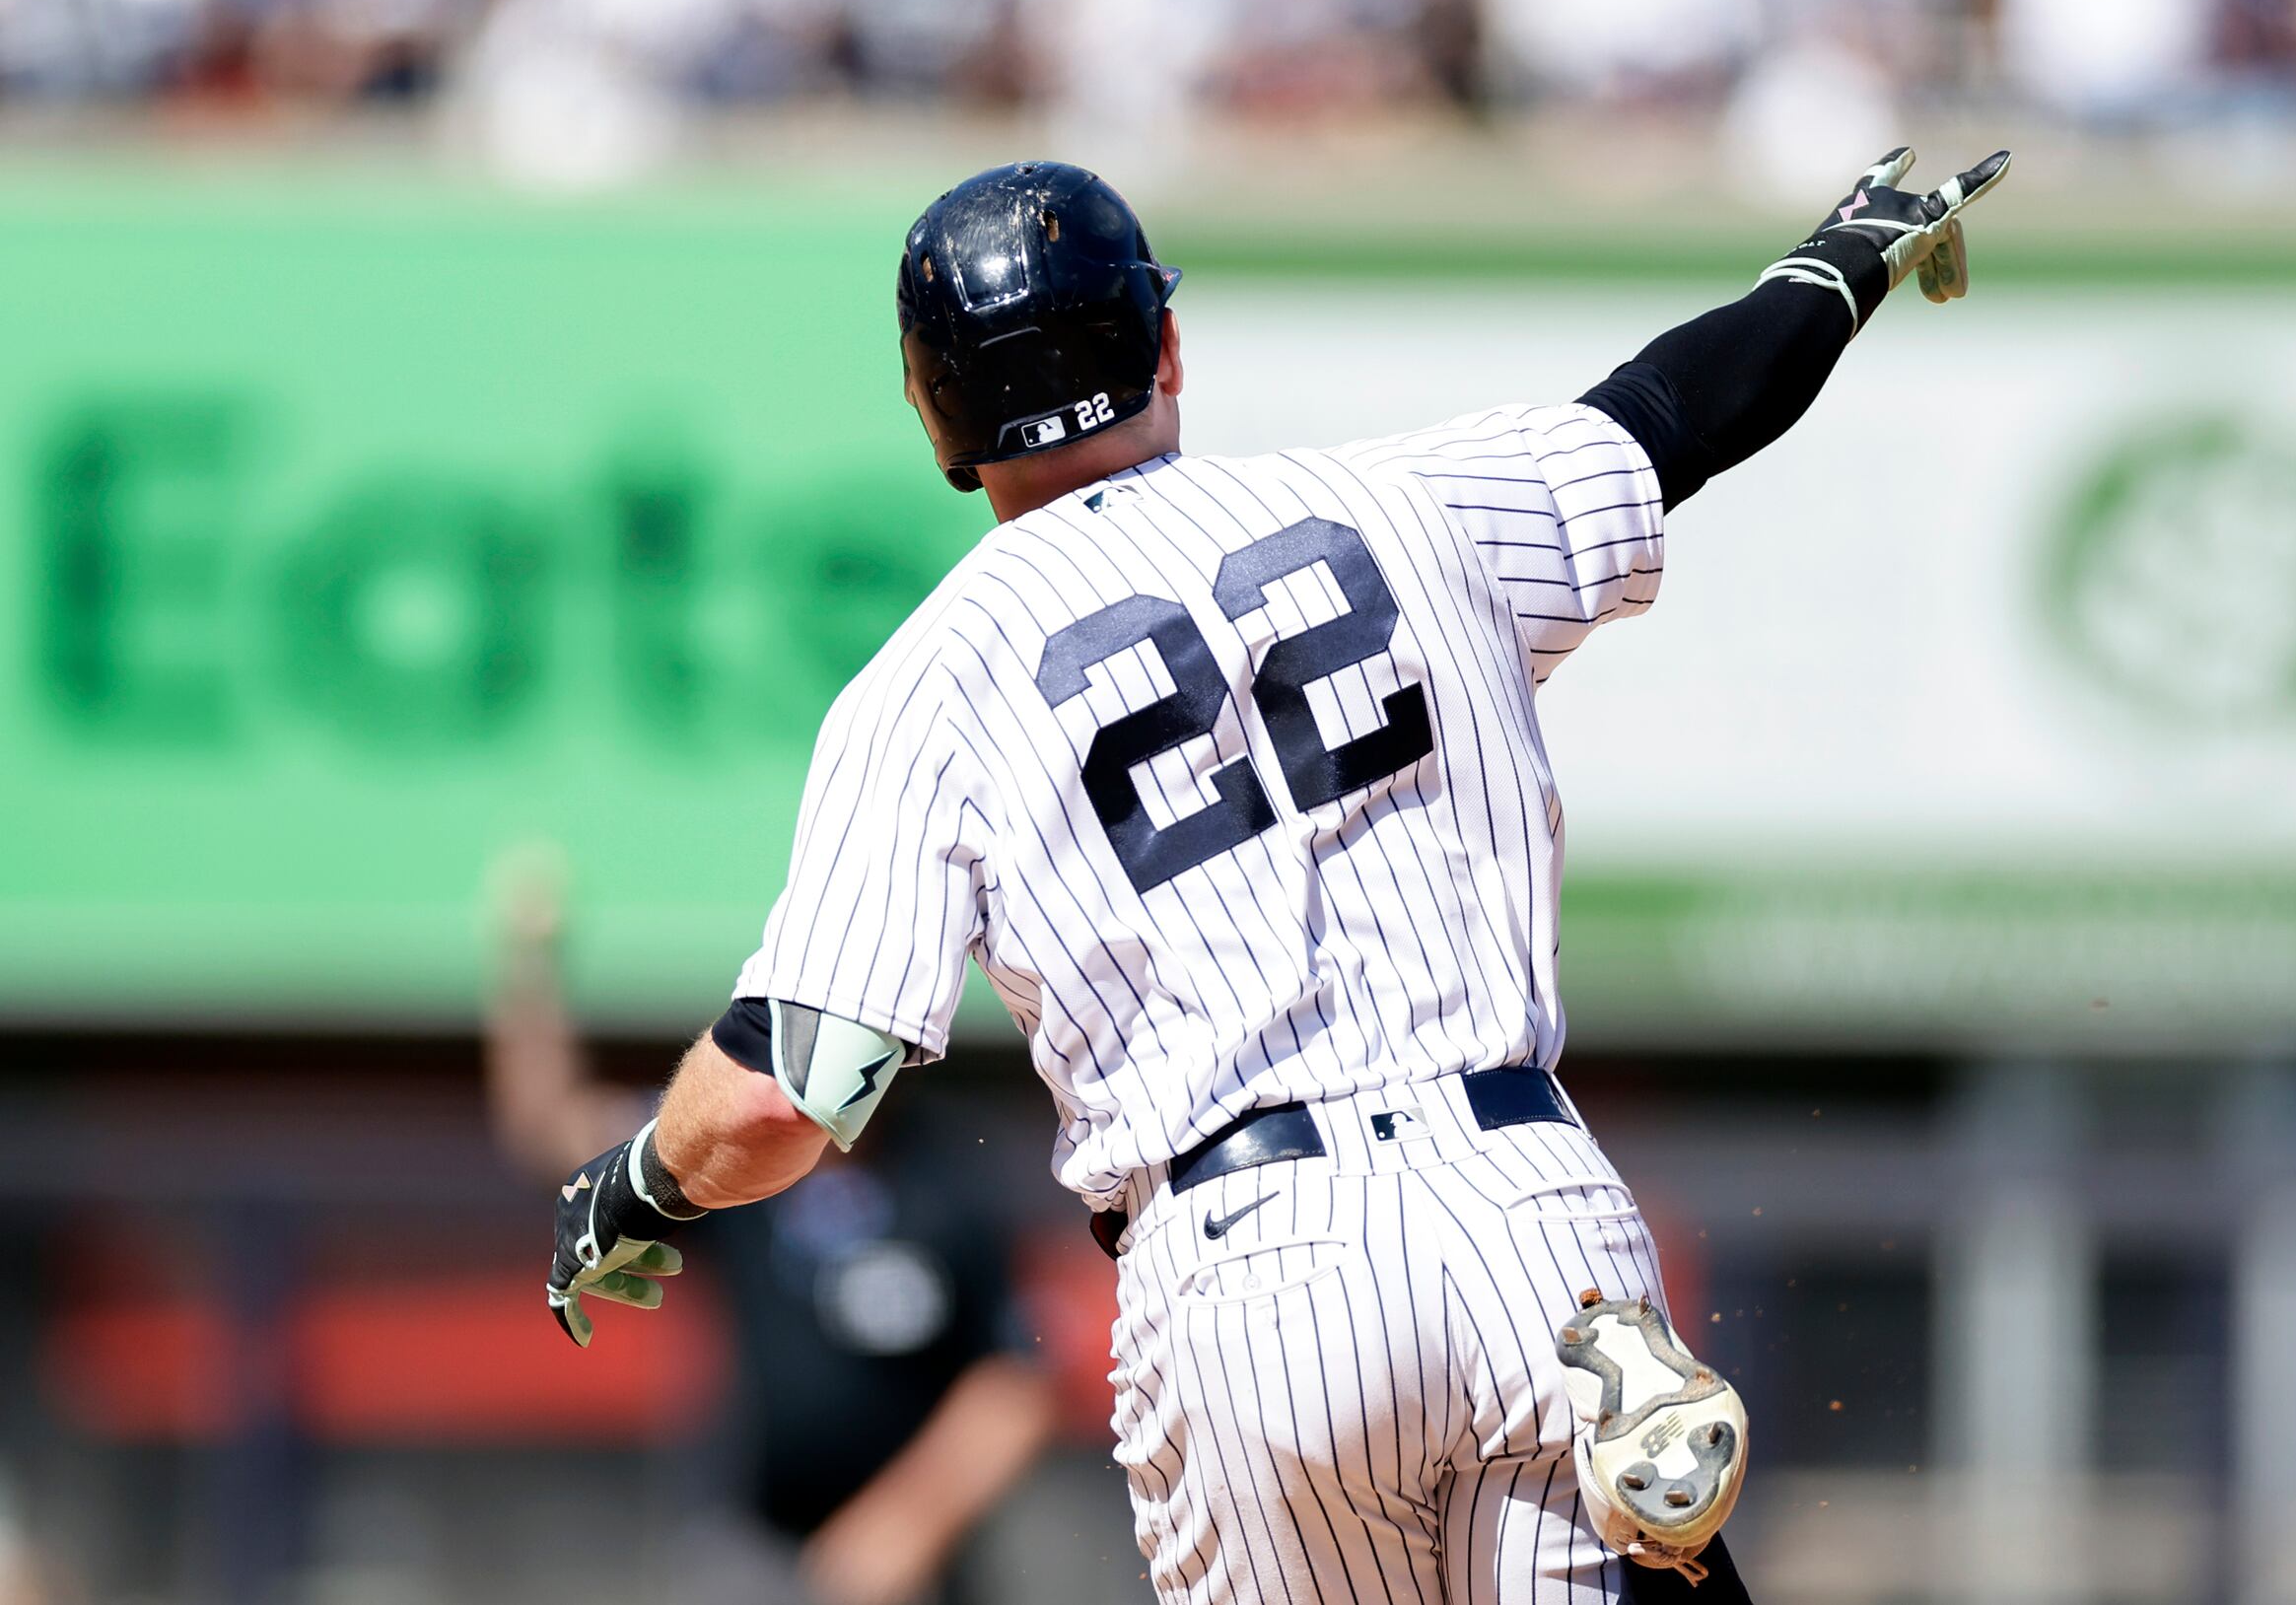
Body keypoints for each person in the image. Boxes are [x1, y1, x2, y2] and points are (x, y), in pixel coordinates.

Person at [539, 150, 2009, 1603]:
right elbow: (1675, 413)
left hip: (1251, 1274)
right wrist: (1845, 263)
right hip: (1531, 1214)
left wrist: (636, 1185)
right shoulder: (1405, 500)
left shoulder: (930, 683)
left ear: (935, 416)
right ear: (1166, 339)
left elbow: (788, 1085)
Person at [485, 851, 1054, 1605]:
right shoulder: (736, 1156)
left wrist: (907, 1523)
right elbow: (554, 1132)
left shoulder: (948, 1175)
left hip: (919, 1573)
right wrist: (529, 966)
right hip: (754, 1552)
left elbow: (1018, 1377)